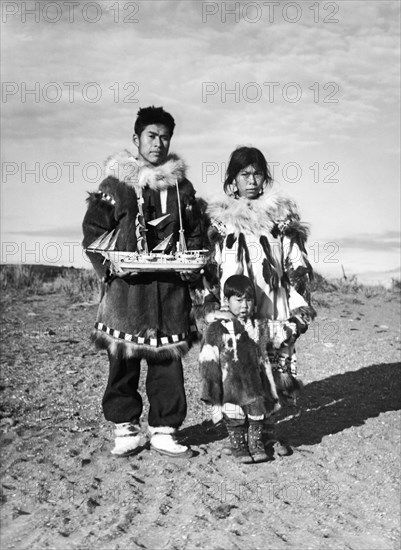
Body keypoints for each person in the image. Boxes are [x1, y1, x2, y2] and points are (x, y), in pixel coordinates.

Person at [82, 106, 205, 458]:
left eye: (165, 137)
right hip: (126, 295)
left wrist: (192, 266)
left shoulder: (182, 188)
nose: (158, 143)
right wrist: (111, 268)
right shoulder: (115, 185)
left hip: (169, 294)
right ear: (136, 139)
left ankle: (165, 430)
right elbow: (94, 232)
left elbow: (196, 233)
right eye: (152, 136)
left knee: (168, 362)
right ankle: (126, 429)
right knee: (123, 360)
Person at [205, 146, 316, 454]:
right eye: (244, 174)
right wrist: (211, 303)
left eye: (257, 173)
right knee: (238, 369)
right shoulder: (220, 219)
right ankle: (240, 437)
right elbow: (210, 268)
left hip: (273, 307)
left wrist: (299, 309)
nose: (251, 180)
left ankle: (266, 433)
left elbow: (298, 264)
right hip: (236, 310)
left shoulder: (280, 215)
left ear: (265, 177)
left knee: (274, 368)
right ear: (233, 179)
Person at [199, 275, 280, 463]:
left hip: (254, 385)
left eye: (249, 300)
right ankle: (238, 444)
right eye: (239, 300)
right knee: (234, 415)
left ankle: (255, 443)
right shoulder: (216, 328)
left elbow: (266, 357)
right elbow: (208, 359)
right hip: (230, 384)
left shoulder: (258, 327)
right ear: (227, 301)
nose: (244, 306)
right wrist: (212, 391)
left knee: (257, 414)